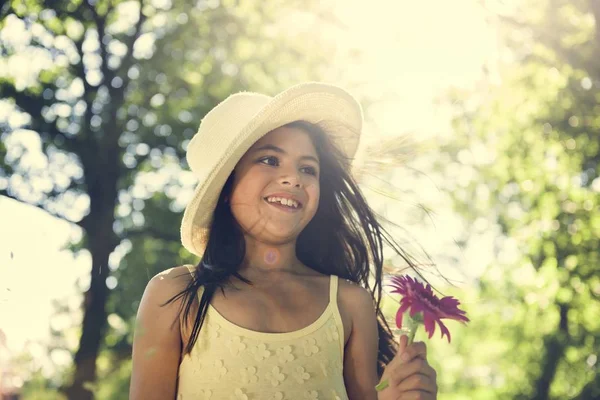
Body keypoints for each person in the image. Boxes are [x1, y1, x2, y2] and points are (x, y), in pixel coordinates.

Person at [130, 82, 438, 399]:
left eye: (308, 168)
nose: (294, 178)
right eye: (269, 160)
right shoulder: (176, 294)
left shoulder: (349, 304)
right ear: (225, 188)